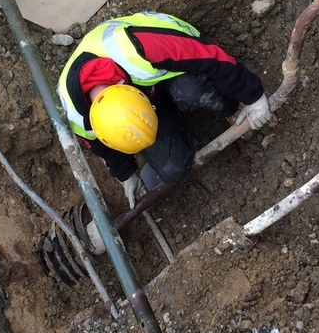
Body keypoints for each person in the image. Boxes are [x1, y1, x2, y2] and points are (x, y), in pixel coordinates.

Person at [57, 12, 271, 205]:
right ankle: (184, 132)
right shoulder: (74, 117)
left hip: (181, 59)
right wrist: (126, 174)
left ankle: (231, 107)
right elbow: (99, 146)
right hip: (151, 85)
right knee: (172, 168)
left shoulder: (135, 49)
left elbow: (207, 57)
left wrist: (253, 95)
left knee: (192, 92)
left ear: (135, 92)